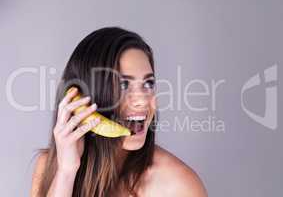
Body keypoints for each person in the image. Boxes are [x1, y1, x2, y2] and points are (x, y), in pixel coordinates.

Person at [31, 27, 207, 197]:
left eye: (148, 83)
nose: (143, 100)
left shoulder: (178, 185)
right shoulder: (51, 167)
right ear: (84, 98)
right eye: (124, 85)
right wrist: (67, 173)